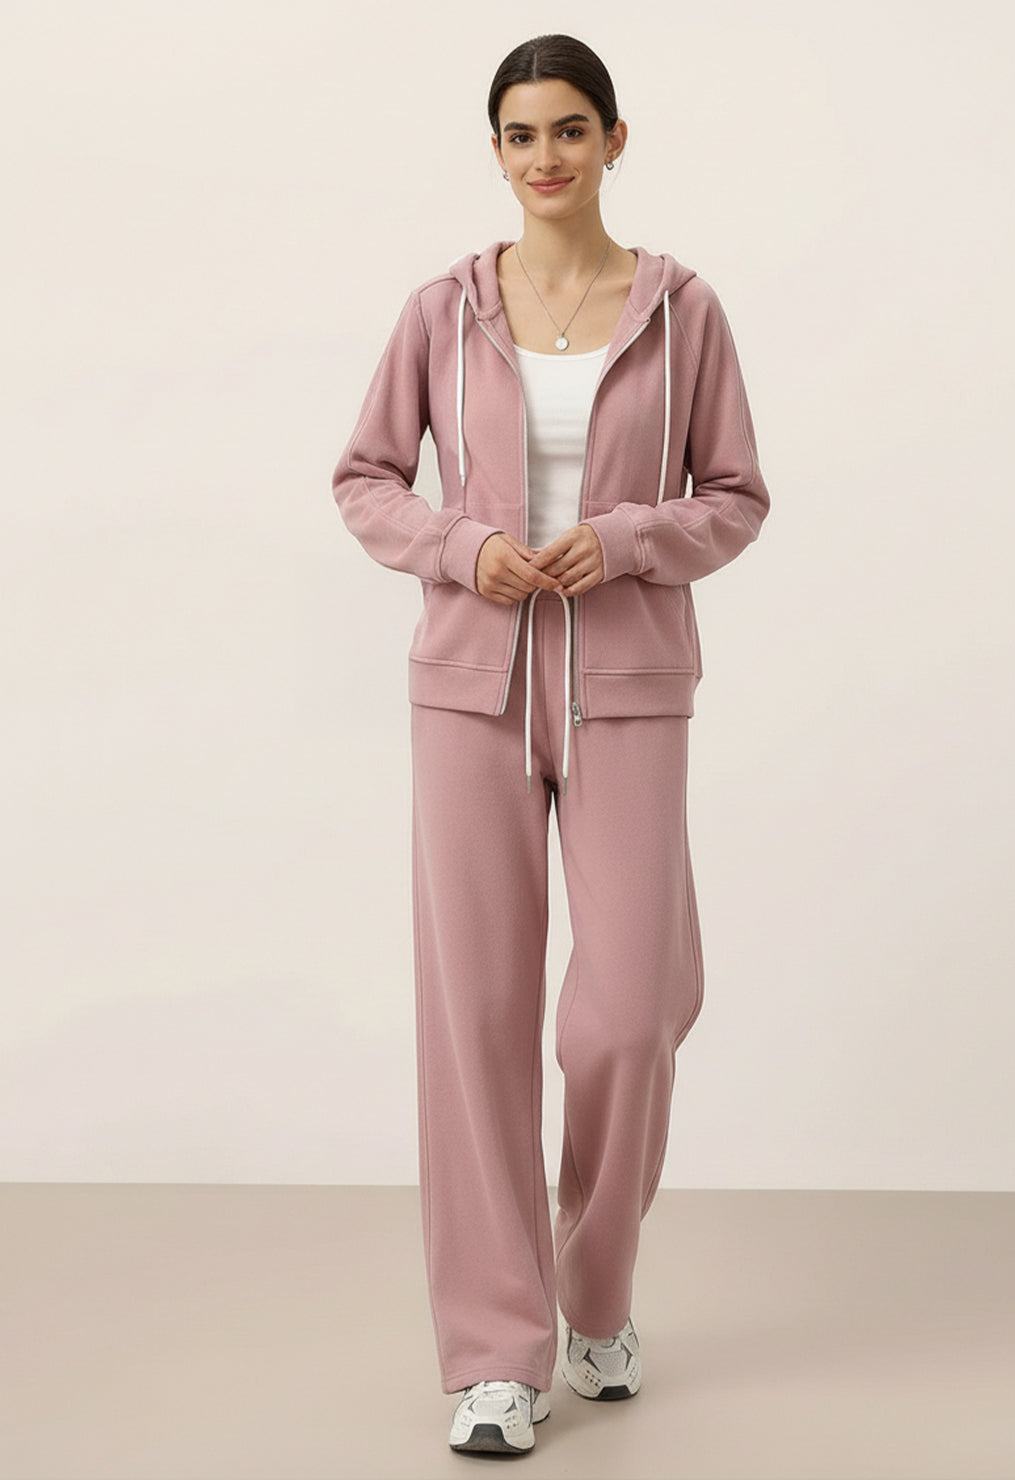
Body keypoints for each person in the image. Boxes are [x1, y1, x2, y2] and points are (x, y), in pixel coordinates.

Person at [330, 32, 771, 1457]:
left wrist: (627, 539)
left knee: (629, 1011)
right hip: (469, 691)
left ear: (614, 140)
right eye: (520, 135)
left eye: (570, 130)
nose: (545, 157)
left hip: (630, 687)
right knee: (474, 1021)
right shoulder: (441, 311)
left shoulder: (682, 311)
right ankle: (494, 1358)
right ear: (497, 151)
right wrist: (463, 549)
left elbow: (736, 495)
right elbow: (366, 477)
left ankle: (595, 1288)